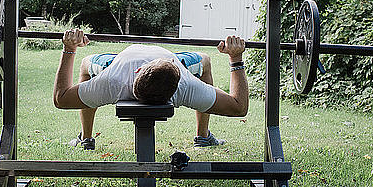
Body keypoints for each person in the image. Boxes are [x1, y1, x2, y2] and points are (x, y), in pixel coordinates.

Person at [53, 29, 248, 150]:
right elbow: (239, 107)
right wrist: (235, 58)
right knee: (204, 59)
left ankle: (86, 138)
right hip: (164, 61)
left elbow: (60, 99)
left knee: (86, 63)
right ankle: (203, 136)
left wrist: (70, 48)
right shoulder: (187, 86)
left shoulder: (111, 82)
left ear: (138, 71)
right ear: (179, 70)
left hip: (117, 64)